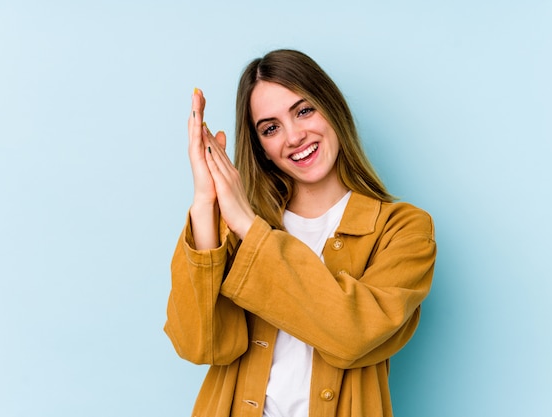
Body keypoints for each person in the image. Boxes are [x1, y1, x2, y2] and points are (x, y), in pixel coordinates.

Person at [164, 49, 436, 417]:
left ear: (332, 108)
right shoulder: (230, 227)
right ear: (261, 148)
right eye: (271, 128)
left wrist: (249, 227)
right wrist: (204, 202)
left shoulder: (403, 230)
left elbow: (352, 334)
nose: (293, 136)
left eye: (304, 110)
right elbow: (201, 345)